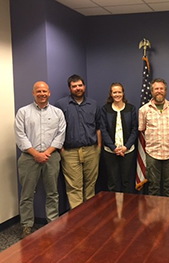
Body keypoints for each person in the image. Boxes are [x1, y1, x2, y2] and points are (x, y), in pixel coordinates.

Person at [15, 81, 66, 239]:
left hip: (51, 157)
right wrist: (36, 154)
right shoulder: (23, 112)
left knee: (52, 193)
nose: (42, 94)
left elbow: (61, 134)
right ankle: (26, 225)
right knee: (27, 194)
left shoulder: (57, 113)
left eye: (44, 91)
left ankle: (53, 222)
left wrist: (47, 152)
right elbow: (20, 135)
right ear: (33, 93)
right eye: (39, 91)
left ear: (49, 93)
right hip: (29, 158)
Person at [56, 74, 102, 209]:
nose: (78, 88)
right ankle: (78, 219)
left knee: (90, 185)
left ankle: (89, 214)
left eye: (80, 85)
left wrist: (98, 146)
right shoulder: (61, 105)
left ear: (84, 86)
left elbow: (98, 127)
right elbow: (57, 128)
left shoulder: (93, 104)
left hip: (91, 150)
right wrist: (62, 149)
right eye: (74, 86)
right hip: (70, 152)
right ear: (70, 88)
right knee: (74, 187)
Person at [139, 78, 169, 197]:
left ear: (165, 91)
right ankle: (154, 215)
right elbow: (142, 130)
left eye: (161, 89)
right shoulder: (144, 110)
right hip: (152, 154)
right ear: (152, 91)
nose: (159, 91)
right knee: (153, 186)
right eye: (156, 89)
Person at [100, 83, 137, 193]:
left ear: (123, 93)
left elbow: (134, 130)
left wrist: (126, 147)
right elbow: (103, 130)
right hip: (110, 151)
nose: (117, 94)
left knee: (126, 181)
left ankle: (127, 207)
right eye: (114, 92)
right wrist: (113, 148)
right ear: (111, 94)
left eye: (119, 92)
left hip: (128, 151)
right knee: (112, 181)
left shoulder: (131, 109)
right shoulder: (105, 109)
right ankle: (114, 208)